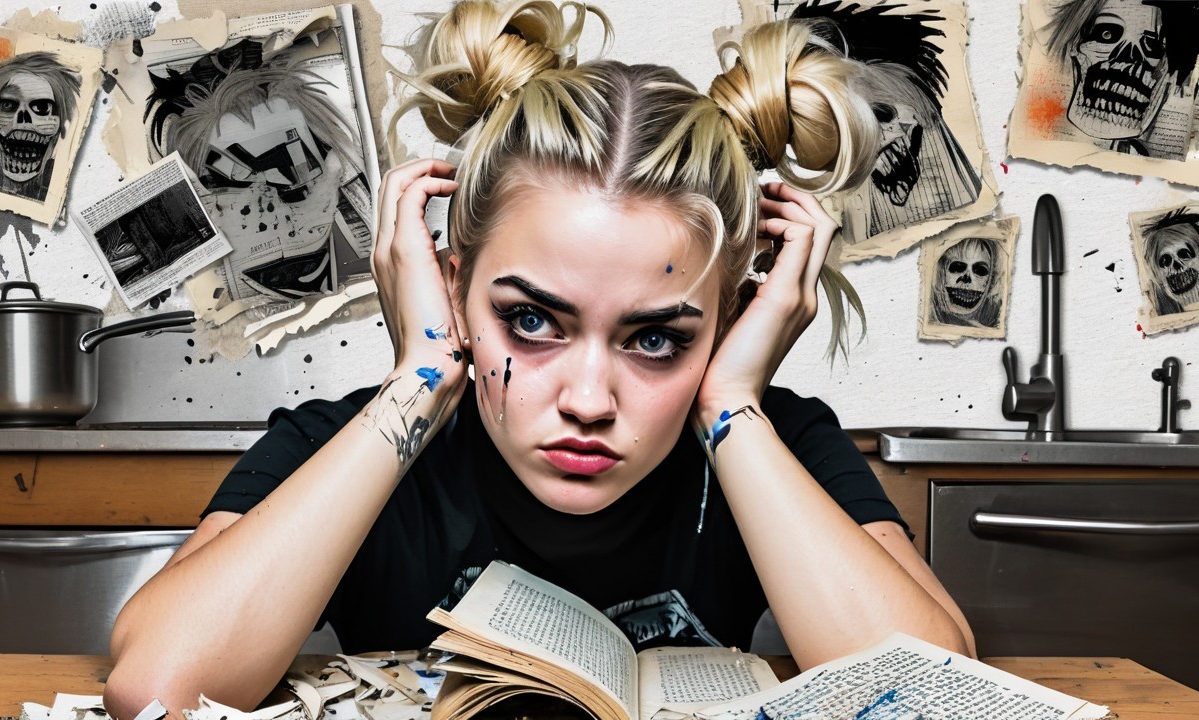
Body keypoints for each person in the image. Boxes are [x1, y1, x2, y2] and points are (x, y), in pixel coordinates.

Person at [103, 1, 974, 717]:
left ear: (734, 322)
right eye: (530, 321)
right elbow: (159, 688)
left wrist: (733, 402)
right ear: (451, 290)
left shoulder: (777, 445)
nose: (589, 398)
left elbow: (935, 702)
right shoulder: (337, 445)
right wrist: (420, 378)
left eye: (659, 339)